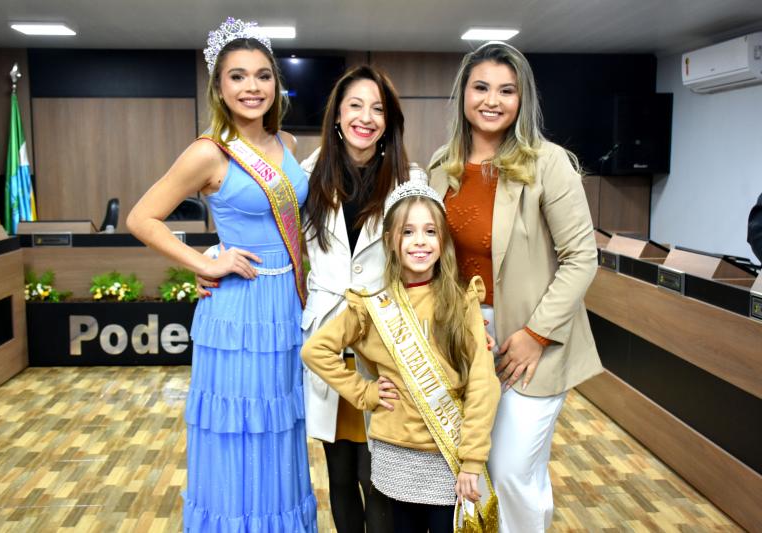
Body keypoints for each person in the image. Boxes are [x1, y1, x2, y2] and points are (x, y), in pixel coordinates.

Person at [199, 64, 426, 533]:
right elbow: (265, 227)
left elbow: (431, 254)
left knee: (380, 480)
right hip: (328, 345)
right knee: (339, 475)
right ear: (337, 115)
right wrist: (211, 256)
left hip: (386, 345)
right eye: (355, 106)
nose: (366, 118)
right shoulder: (307, 175)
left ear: (389, 120)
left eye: (378, 109)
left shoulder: (411, 179)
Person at [126, 17, 317, 532]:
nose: (252, 87)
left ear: (276, 83)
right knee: (239, 426)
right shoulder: (209, 151)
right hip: (239, 308)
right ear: (219, 86)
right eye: (238, 76)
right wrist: (206, 262)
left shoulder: (287, 144)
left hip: (284, 305)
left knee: (280, 425)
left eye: (262, 75)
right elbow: (142, 218)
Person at [428, 41, 602, 532]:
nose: (492, 100)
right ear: (463, 94)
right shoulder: (443, 164)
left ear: (523, 99)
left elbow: (581, 258)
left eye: (507, 90)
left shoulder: (548, 162)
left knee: (512, 473)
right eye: (481, 87)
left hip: (531, 342)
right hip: (464, 340)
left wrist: (535, 334)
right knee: (473, 469)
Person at [301, 181, 500, 533]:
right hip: (394, 455)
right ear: (390, 240)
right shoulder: (373, 307)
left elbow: (483, 385)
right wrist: (365, 392)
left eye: (430, 231)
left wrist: (472, 459)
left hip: (448, 455)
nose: (420, 241)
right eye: (408, 232)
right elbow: (315, 350)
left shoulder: (461, 302)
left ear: (443, 241)